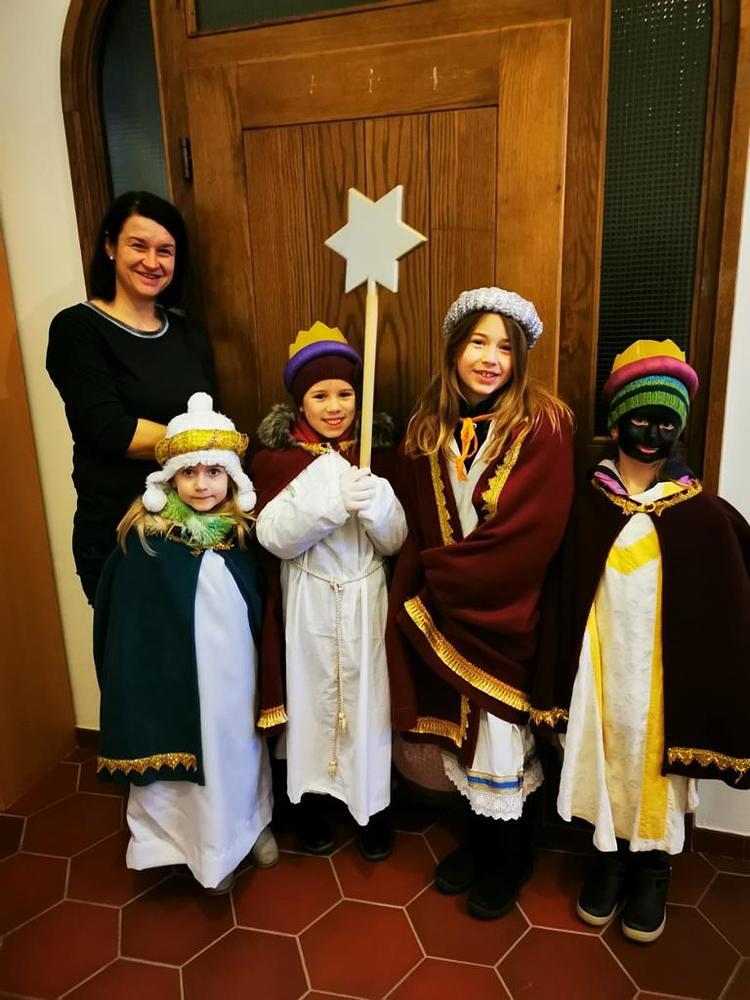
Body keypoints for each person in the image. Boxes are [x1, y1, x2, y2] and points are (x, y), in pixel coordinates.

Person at [531, 340, 750, 942]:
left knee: (656, 767)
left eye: (667, 423)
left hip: (662, 677)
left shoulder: (701, 514)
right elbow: (561, 586)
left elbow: (724, 606)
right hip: (601, 664)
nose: (652, 434)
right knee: (603, 755)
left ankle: (652, 866)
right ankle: (606, 857)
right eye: (640, 419)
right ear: (616, 423)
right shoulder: (586, 503)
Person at [386, 287, 574, 919]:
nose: (490, 359)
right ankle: (479, 840)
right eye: (477, 342)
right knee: (464, 733)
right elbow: (419, 519)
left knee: (501, 733)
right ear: (454, 350)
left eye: (504, 348)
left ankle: (511, 855)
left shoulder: (544, 424)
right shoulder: (428, 427)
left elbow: (533, 531)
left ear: (520, 357)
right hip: (447, 607)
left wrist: (445, 581)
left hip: (505, 609)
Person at [94, 392, 279, 894]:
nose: (201, 484)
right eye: (189, 472)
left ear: (232, 479)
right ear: (169, 480)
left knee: (239, 750)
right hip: (172, 684)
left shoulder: (242, 537)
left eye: (214, 472)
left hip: (237, 679)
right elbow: (127, 630)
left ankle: (250, 825)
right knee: (188, 767)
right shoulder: (147, 544)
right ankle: (202, 849)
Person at [251, 322, 408, 861]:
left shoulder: (376, 455)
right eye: (320, 395)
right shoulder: (279, 460)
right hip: (309, 601)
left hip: (366, 599)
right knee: (312, 702)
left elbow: (395, 540)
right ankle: (312, 805)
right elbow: (272, 536)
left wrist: (377, 504)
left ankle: (373, 807)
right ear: (300, 401)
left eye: (345, 393)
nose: (335, 406)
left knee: (368, 705)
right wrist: (333, 502)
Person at [47, 191, 217, 603]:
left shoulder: (190, 335)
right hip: (120, 533)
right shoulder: (77, 329)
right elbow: (112, 430)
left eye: (165, 251)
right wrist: (205, 442)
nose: (152, 262)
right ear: (110, 246)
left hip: (194, 529)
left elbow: (213, 418)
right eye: (138, 245)